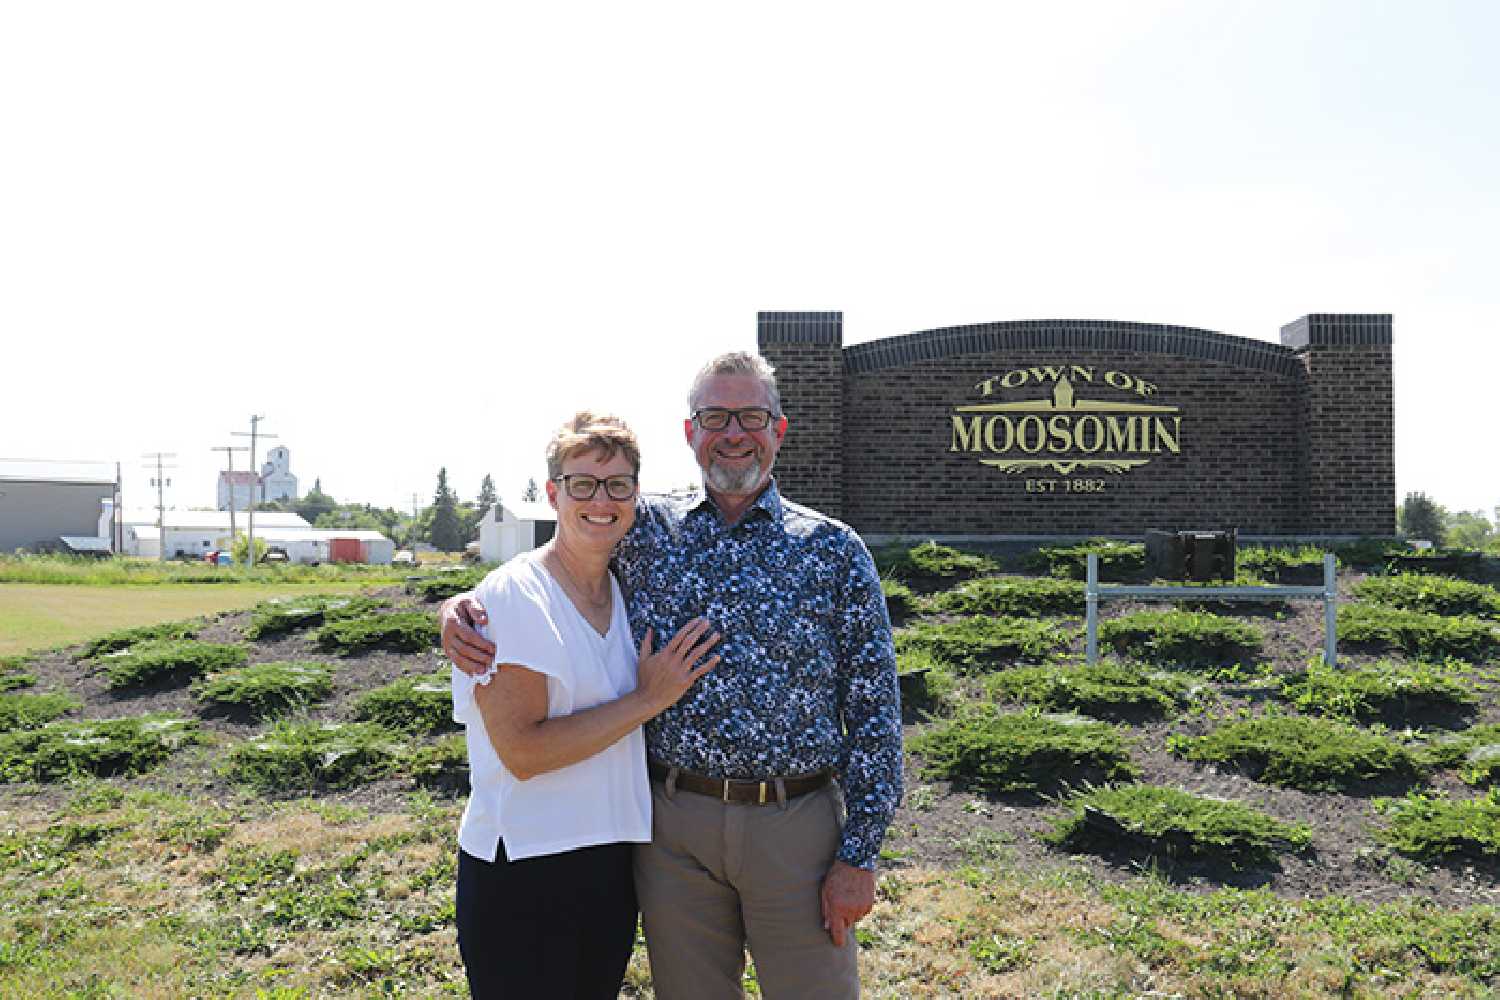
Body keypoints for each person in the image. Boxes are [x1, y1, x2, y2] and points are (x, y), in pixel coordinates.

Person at [444, 353, 902, 999]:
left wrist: (859, 855)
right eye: (716, 416)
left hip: (795, 825)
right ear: (690, 432)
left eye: (752, 416)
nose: (734, 432)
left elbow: (877, 714)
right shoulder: (646, 528)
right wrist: (461, 607)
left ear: (779, 429)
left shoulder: (833, 550)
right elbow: (562, 556)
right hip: (670, 828)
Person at [452, 411, 722, 999]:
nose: (601, 500)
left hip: (606, 863)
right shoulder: (517, 594)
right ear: (554, 493)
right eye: (583, 484)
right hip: (522, 868)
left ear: (635, 495)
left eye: (618, 484)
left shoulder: (624, 589)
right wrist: (649, 699)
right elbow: (523, 751)